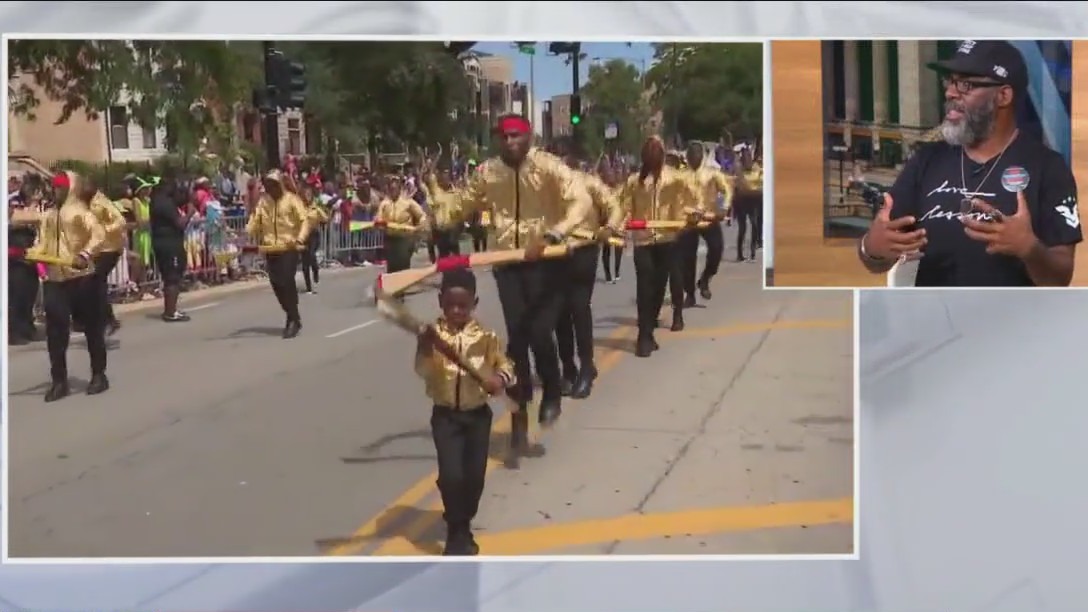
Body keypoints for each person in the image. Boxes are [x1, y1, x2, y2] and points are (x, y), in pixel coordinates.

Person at [859, 39, 1082, 287]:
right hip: (936, 311)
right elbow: (876, 258)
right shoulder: (926, 160)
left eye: (966, 84)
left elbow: (1060, 279)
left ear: (1003, 95)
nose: (950, 93)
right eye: (950, 81)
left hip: (1013, 313)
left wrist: (1029, 249)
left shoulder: (1048, 168)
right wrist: (872, 248)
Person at [460, 113, 594, 453]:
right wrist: (437, 217)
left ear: (528, 136)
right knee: (517, 342)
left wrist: (556, 232)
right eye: (504, 137)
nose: (509, 142)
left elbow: (581, 200)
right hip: (507, 263)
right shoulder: (488, 172)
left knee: (539, 332)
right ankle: (519, 416)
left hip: (545, 262)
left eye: (515, 136)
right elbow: (462, 203)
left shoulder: (548, 166)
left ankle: (552, 389)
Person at [414, 267, 514, 556]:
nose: (456, 311)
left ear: (474, 304)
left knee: (473, 479)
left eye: (463, 305)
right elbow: (423, 371)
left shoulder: (486, 336)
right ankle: (457, 531)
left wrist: (499, 380)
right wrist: (424, 349)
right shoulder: (433, 336)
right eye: (450, 305)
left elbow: (506, 366)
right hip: (446, 417)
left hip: (477, 416)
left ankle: (463, 517)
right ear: (440, 302)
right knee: (452, 476)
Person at [619, 136, 702, 357]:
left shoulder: (674, 179)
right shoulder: (634, 181)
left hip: (667, 240)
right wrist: (618, 226)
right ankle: (644, 337)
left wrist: (694, 212)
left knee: (658, 288)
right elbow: (624, 206)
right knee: (644, 288)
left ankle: (650, 329)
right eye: (649, 154)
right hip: (643, 241)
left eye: (656, 154)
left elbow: (692, 196)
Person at [31, 171, 109, 401]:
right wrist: (33, 254)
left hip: (83, 278)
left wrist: (85, 254)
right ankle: (59, 381)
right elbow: (42, 242)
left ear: (71, 188)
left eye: (62, 187)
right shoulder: (49, 215)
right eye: (55, 187)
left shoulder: (81, 213)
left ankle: (99, 374)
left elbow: (99, 234)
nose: (57, 191)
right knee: (55, 333)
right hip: (56, 279)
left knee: (92, 329)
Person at [556, 151, 624, 399]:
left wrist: (609, 228)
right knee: (559, 313)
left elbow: (614, 206)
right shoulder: (546, 187)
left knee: (579, 308)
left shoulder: (589, 183)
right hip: (555, 253)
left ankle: (586, 366)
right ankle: (568, 369)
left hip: (583, 250)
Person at [245, 169, 312, 338]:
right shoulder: (264, 203)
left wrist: (300, 239)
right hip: (271, 248)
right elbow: (255, 221)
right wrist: (247, 233)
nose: (270, 188)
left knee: (286, 280)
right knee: (276, 284)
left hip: (289, 247)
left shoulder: (292, 200)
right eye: (268, 185)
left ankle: (292, 320)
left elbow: (304, 221)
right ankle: (293, 315)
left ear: (280, 185)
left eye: (273, 185)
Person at [682, 142, 733, 303]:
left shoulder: (712, 174)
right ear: (687, 157)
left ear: (702, 156)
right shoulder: (682, 176)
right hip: (689, 220)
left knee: (716, 249)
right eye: (691, 154)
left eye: (697, 154)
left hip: (709, 218)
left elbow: (727, 190)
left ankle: (705, 279)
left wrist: (724, 207)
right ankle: (690, 294)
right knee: (688, 258)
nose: (694, 157)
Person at [149, 174, 197, 322]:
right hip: (169, 244)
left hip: (166, 242)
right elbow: (180, 223)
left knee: (172, 277)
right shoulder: (164, 203)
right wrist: (190, 213)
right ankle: (170, 312)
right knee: (172, 278)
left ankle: (171, 309)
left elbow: (181, 200)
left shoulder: (159, 200)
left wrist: (189, 193)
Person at [85, 180, 127, 335]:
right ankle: (105, 319)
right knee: (95, 284)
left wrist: (104, 229)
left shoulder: (102, 202)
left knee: (96, 281)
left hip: (110, 248)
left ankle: (107, 320)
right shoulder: (85, 202)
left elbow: (121, 221)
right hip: (98, 249)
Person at [8, 187, 43, 345]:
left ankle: (27, 327)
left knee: (29, 295)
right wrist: (34, 212)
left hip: (30, 257)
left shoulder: (34, 207)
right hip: (15, 259)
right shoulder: (15, 202)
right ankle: (15, 332)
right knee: (17, 297)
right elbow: (14, 219)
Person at [375, 175, 427, 274]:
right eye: (391, 189)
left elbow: (422, 215)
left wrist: (419, 227)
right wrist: (379, 222)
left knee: (403, 266)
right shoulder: (385, 203)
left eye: (395, 188)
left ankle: (404, 281)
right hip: (390, 239)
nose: (393, 191)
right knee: (391, 268)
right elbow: (378, 217)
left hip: (404, 239)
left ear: (399, 189)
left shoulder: (408, 202)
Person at [423, 165, 465, 257]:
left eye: (446, 175)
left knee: (455, 257)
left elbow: (461, 211)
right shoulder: (435, 191)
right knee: (443, 256)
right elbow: (429, 177)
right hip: (440, 231)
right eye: (442, 175)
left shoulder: (457, 193)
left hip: (453, 230)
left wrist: (459, 227)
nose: (444, 178)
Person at [597, 162, 625, 283]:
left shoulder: (621, 189)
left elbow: (625, 206)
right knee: (606, 249)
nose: (612, 175)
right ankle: (608, 274)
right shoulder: (602, 189)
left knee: (618, 247)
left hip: (619, 223)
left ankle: (617, 271)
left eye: (615, 173)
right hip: (606, 222)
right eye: (609, 173)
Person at [299, 184, 329, 294]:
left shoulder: (316, 209)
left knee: (311, 255)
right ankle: (309, 287)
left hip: (313, 235)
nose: (306, 197)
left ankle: (315, 270)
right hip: (303, 236)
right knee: (305, 263)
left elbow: (325, 218)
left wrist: (324, 220)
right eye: (305, 195)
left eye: (308, 195)